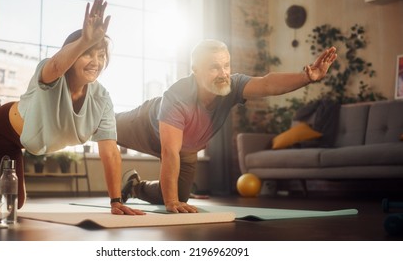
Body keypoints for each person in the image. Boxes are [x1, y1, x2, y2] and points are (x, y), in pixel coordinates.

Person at [117, 39, 337, 213]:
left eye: (226, 65)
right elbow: (169, 152)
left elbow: (267, 83)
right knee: (100, 124)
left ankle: (135, 187)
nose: (223, 73)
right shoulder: (178, 97)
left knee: (180, 197)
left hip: (186, 148)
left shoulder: (231, 85)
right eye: (214, 67)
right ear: (195, 69)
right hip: (145, 126)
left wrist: (306, 77)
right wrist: (170, 201)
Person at [0, 0, 144, 216]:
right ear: (73, 53)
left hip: (32, 138)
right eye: (87, 53)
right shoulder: (52, 73)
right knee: (13, 205)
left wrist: (115, 201)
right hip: (4, 129)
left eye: (101, 55)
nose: (96, 61)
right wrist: (85, 41)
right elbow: (57, 65)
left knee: (15, 202)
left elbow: (110, 151)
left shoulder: (102, 99)